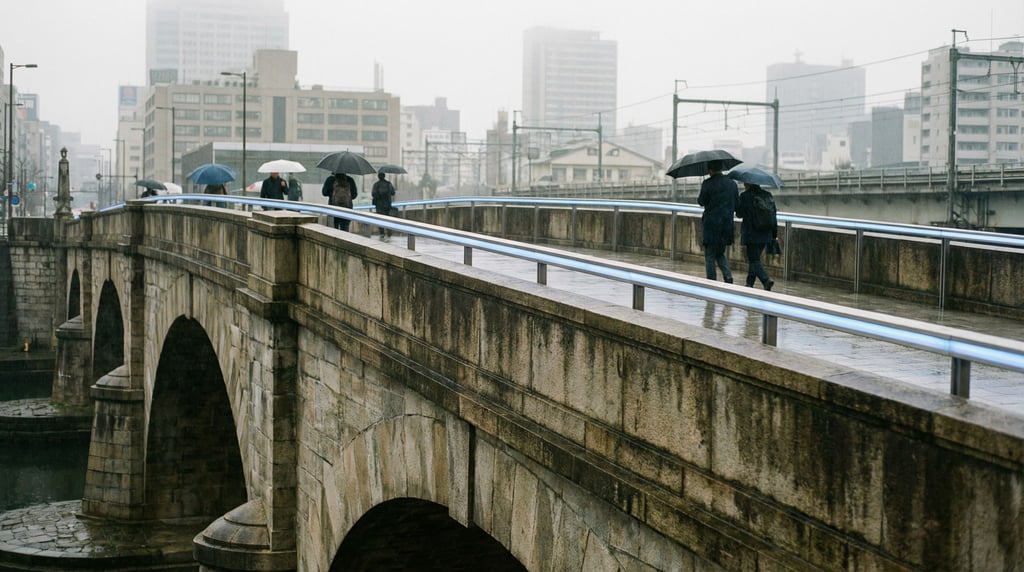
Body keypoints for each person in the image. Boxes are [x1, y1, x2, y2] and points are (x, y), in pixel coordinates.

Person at [696, 159, 739, 283]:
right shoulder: (732, 184)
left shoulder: (707, 184)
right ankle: (728, 276)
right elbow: (737, 204)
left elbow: (701, 201)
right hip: (727, 224)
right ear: (721, 168)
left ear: (710, 170)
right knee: (720, 252)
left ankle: (711, 282)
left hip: (711, 225)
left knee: (709, 254)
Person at [735, 182, 777, 291]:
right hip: (766, 233)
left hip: (751, 233)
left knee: (753, 260)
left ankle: (765, 280)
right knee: (755, 259)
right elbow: (773, 215)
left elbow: (739, 214)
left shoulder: (745, 196)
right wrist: (774, 235)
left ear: (747, 183)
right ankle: (749, 284)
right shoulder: (768, 195)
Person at [370, 172, 396, 239]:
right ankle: (389, 232)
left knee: (380, 219)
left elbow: (373, 194)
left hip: (379, 205)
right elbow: (393, 193)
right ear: (384, 176)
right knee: (388, 219)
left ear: (378, 177)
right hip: (387, 205)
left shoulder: (376, 185)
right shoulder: (388, 184)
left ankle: (382, 233)